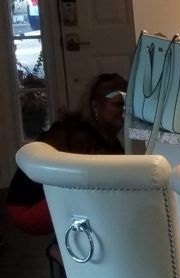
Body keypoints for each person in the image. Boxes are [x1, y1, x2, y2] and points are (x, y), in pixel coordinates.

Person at [5, 72, 127, 237]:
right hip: (28, 208)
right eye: (118, 104)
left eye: (129, 104)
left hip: (42, 198)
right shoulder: (81, 136)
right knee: (99, 196)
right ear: (96, 106)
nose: (125, 110)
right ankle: (64, 251)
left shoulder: (94, 130)